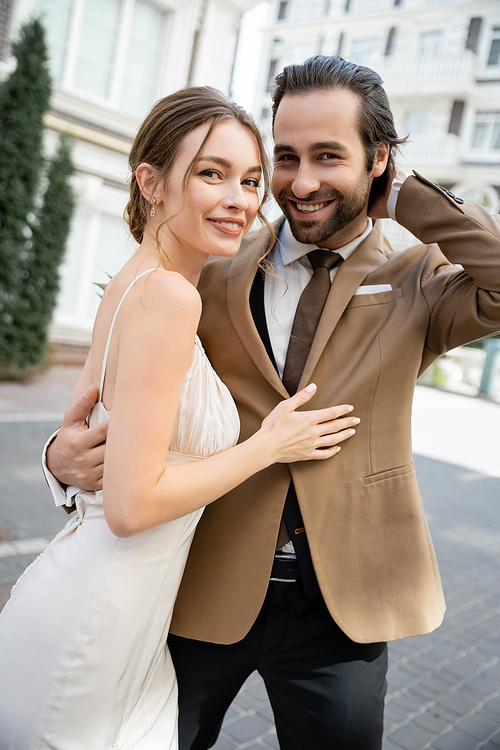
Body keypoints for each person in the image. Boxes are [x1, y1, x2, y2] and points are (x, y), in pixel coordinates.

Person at [45, 56, 500, 750]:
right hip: (202, 581)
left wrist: (407, 197)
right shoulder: (212, 261)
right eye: (285, 158)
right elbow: (120, 383)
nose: (302, 182)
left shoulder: (419, 278)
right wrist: (58, 457)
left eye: (328, 156)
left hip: (341, 608)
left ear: (378, 160)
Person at [0, 86, 359, 749]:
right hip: (97, 622)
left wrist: (57, 455)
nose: (239, 198)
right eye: (211, 173)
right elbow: (132, 507)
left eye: (251, 180)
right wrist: (269, 444)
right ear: (152, 181)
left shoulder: (136, 283)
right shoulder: (169, 298)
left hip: (119, 612)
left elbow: (85, 438)